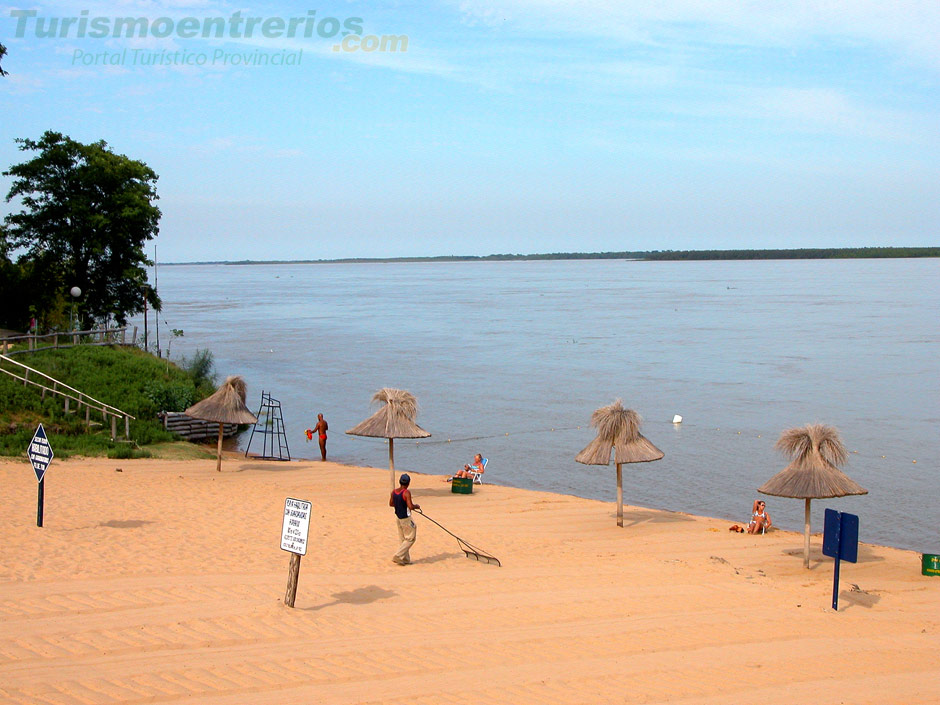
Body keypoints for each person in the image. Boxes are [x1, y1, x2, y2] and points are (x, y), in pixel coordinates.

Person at [390, 473, 420, 565]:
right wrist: (416, 506)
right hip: (406, 519)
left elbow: (391, 504)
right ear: (408, 483)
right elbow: (410, 506)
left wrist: (399, 504)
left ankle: (405, 559)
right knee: (411, 538)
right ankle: (398, 556)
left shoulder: (394, 492)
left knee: (403, 539)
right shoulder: (406, 492)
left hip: (398, 518)